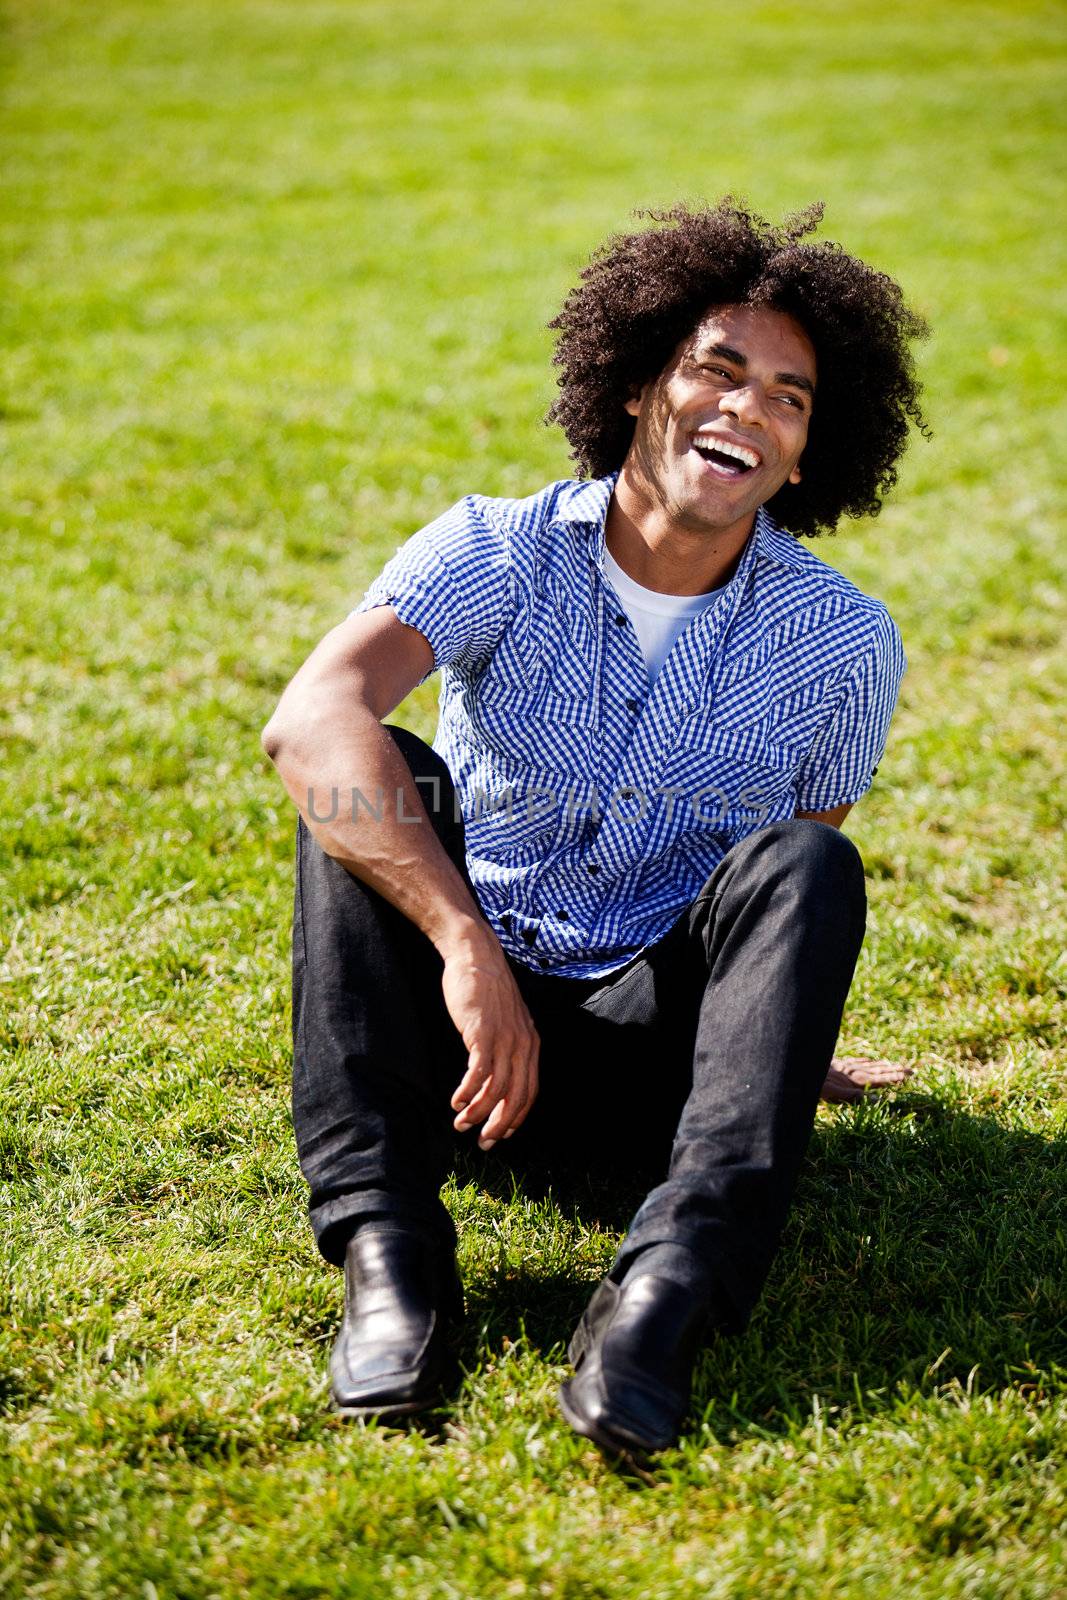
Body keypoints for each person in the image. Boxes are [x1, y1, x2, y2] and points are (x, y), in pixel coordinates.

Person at [261, 198, 928, 1460]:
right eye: (715, 370)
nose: (746, 410)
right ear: (636, 387)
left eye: (786, 397)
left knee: (807, 861)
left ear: (804, 452)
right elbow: (308, 720)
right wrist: (463, 946)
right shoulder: (496, 549)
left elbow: (779, 891)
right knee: (370, 774)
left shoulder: (844, 643)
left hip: (645, 1076)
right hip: (452, 1050)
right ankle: (390, 1257)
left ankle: (661, 1298)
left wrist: (769, 1046)